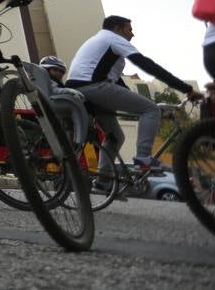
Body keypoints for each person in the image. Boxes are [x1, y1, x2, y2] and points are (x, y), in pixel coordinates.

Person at [67, 15, 202, 175]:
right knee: (151, 110)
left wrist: (139, 102)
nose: (132, 34)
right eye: (129, 29)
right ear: (117, 29)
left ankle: (103, 180)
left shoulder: (100, 42)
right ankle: (143, 157)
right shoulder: (112, 38)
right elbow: (147, 65)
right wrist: (187, 89)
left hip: (83, 89)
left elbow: (118, 83)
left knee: (116, 136)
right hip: (92, 87)